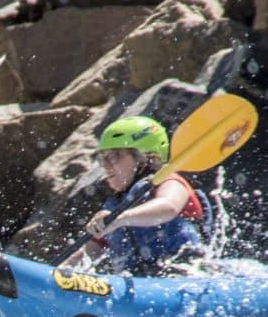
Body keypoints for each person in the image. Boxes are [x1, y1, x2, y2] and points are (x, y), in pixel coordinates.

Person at [62, 114, 216, 272]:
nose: (106, 166)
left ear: (147, 159)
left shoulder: (171, 182)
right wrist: (60, 270)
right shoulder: (116, 204)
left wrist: (121, 218)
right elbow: (89, 252)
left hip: (188, 273)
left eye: (113, 156)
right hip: (144, 279)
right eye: (103, 159)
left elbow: (169, 206)